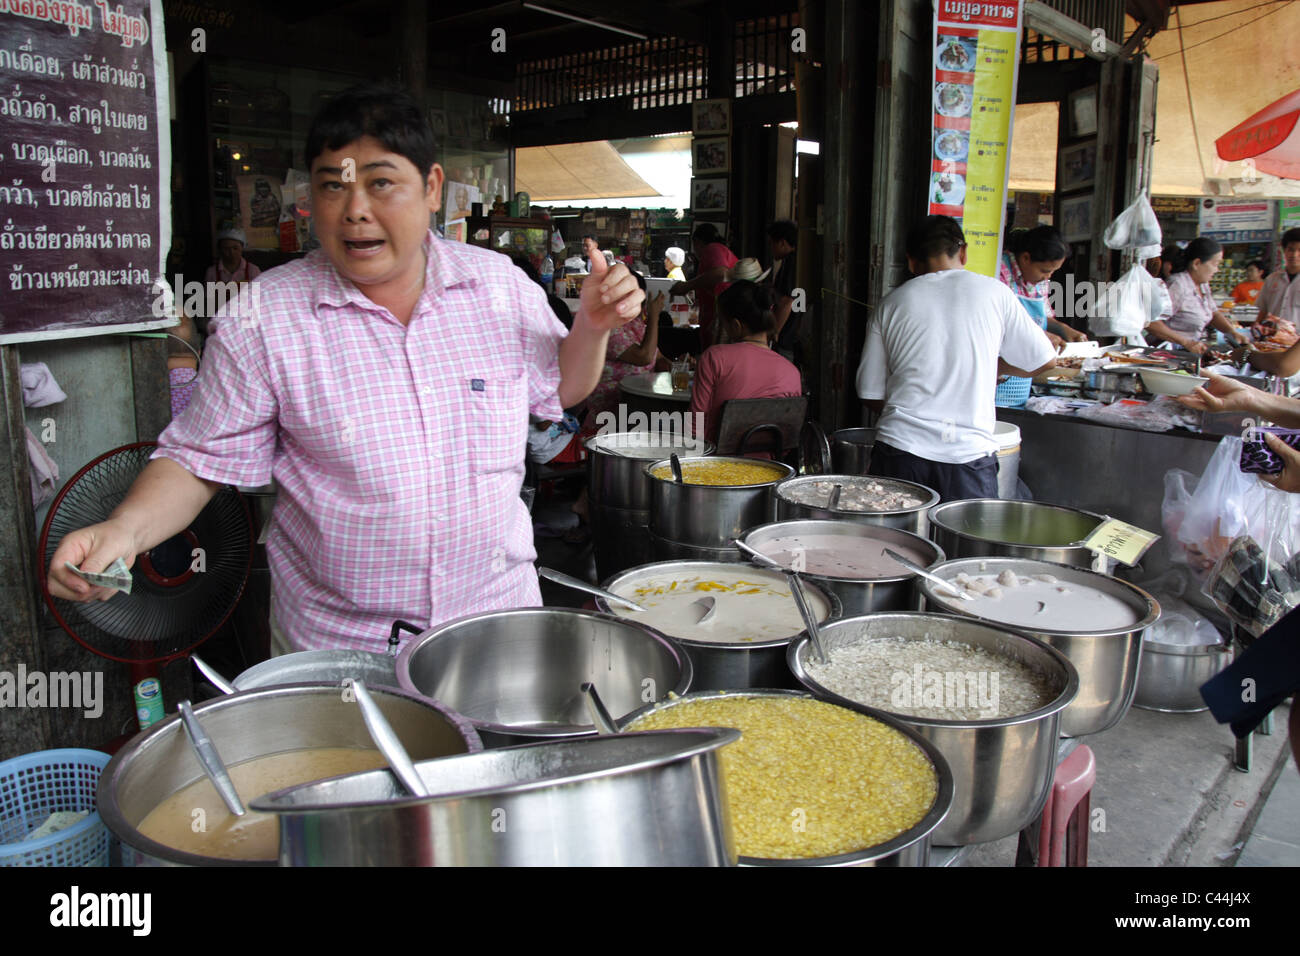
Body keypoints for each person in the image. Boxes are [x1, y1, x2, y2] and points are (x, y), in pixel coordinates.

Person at [46, 84, 644, 655]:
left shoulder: (500, 288)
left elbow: (559, 388)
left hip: (495, 621)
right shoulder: (264, 319)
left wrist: (591, 326)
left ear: (432, 187)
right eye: (334, 187)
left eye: (382, 183)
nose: (356, 211)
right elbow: (200, 460)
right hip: (342, 650)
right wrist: (123, 531)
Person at [855, 215, 1056, 502]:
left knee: (894, 545)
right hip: (969, 457)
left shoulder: (891, 304)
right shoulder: (996, 293)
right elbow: (1044, 361)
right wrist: (996, 367)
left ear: (911, 262)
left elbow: (869, 391)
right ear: (963, 253)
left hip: (901, 452)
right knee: (966, 546)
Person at [688, 281, 802, 444]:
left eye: (723, 324)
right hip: (771, 467)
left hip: (716, 466)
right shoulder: (792, 372)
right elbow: (788, 439)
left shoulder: (714, 358)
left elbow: (694, 428)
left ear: (736, 326)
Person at [994, 226, 1083, 408]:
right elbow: (998, 319)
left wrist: (1061, 328)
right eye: (1044, 270)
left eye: (1052, 272)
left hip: (1022, 375)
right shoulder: (999, 271)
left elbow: (1041, 317)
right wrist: (1038, 334)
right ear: (1026, 258)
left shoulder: (1039, 281)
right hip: (998, 368)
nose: (1048, 276)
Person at [581, 271, 665, 429]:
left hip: (640, 408)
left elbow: (658, 357)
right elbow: (644, 357)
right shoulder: (607, 326)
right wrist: (655, 316)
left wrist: (676, 368)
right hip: (611, 416)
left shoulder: (636, 324)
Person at [1147, 237, 1250, 354]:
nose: (1217, 270)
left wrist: (1233, 332)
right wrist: (1186, 342)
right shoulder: (1178, 285)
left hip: (1187, 352)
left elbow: (1214, 314)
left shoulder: (1203, 285)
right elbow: (1151, 322)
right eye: (1215, 264)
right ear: (1196, 263)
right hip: (1165, 353)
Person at [1233, 230, 1300, 377]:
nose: (1294, 254)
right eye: (1291, 249)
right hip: (1270, 345)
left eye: (1299, 250)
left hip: (1296, 350)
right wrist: (1256, 333)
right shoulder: (1273, 279)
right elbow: (1262, 311)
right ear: (1284, 251)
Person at [669, 223, 737, 346]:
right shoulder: (718, 250)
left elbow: (721, 274)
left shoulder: (713, 248)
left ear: (697, 242)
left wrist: (687, 286)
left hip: (722, 321)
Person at [764, 219, 801, 365]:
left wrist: (775, 332)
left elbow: (787, 302)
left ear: (782, 243)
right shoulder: (792, 261)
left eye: (772, 243)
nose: (770, 248)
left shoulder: (791, 264)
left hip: (788, 334)